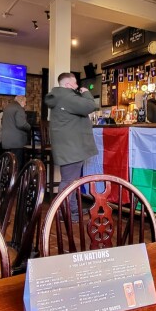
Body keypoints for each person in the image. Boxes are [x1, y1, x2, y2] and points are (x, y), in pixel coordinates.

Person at [45, 72, 100, 222]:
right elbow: (90, 106)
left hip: (68, 145)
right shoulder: (66, 96)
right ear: (68, 84)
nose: (77, 86)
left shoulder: (59, 96)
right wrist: (86, 92)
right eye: (75, 83)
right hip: (72, 146)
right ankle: (63, 213)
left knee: (72, 180)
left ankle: (73, 210)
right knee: (69, 181)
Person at [0, 95, 30, 165]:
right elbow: (21, 124)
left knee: (9, 163)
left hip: (6, 140)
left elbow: (2, 122)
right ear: (21, 101)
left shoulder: (7, 107)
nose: (25, 104)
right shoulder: (19, 108)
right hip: (16, 142)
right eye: (25, 102)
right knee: (17, 163)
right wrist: (29, 127)